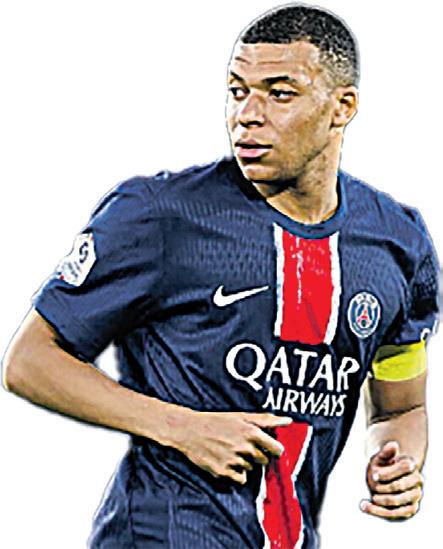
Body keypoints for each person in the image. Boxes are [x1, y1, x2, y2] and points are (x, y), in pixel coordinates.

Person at [2, 3, 440, 548]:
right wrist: (181, 427)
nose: (247, 115)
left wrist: (400, 461)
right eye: (237, 91)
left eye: (279, 94)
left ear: (342, 107)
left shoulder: (398, 242)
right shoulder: (160, 214)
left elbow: (402, 407)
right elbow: (30, 361)